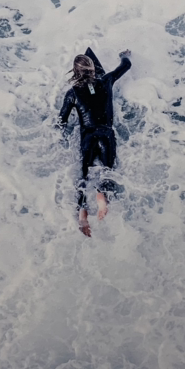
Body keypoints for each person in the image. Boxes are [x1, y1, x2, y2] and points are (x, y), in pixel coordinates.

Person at [58, 46, 131, 236]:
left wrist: (61, 136)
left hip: (88, 138)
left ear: (75, 72)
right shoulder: (107, 80)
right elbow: (126, 66)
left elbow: (61, 121)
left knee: (83, 175)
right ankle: (101, 198)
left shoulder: (72, 93)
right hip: (106, 135)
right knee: (107, 172)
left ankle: (82, 215)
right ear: (93, 69)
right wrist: (124, 55)